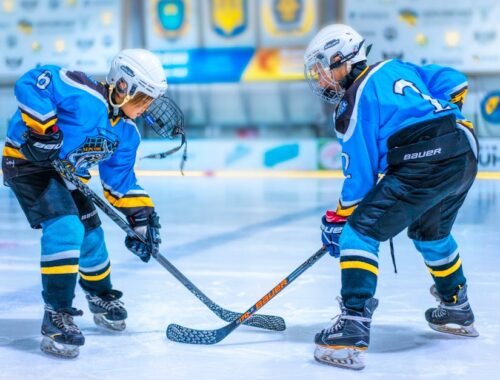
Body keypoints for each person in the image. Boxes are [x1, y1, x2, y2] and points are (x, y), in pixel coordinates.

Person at [304, 24, 479, 370]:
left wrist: (339, 220)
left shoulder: (352, 105)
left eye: (323, 67)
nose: (321, 78)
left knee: (360, 231)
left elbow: (360, 182)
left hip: (423, 159)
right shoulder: (397, 67)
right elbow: (456, 81)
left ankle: (352, 325)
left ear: (342, 59)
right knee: (432, 233)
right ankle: (457, 307)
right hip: (464, 149)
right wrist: (441, 116)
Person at [2, 49, 182, 358]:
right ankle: (57, 315)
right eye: (143, 99)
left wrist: (142, 218)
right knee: (66, 227)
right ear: (123, 86)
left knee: (92, 236)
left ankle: (100, 296)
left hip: (68, 174)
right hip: (28, 163)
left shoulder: (126, 134)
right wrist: (43, 130)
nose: (145, 109)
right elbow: (32, 82)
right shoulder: (84, 95)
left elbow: (120, 182)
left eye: (149, 102)